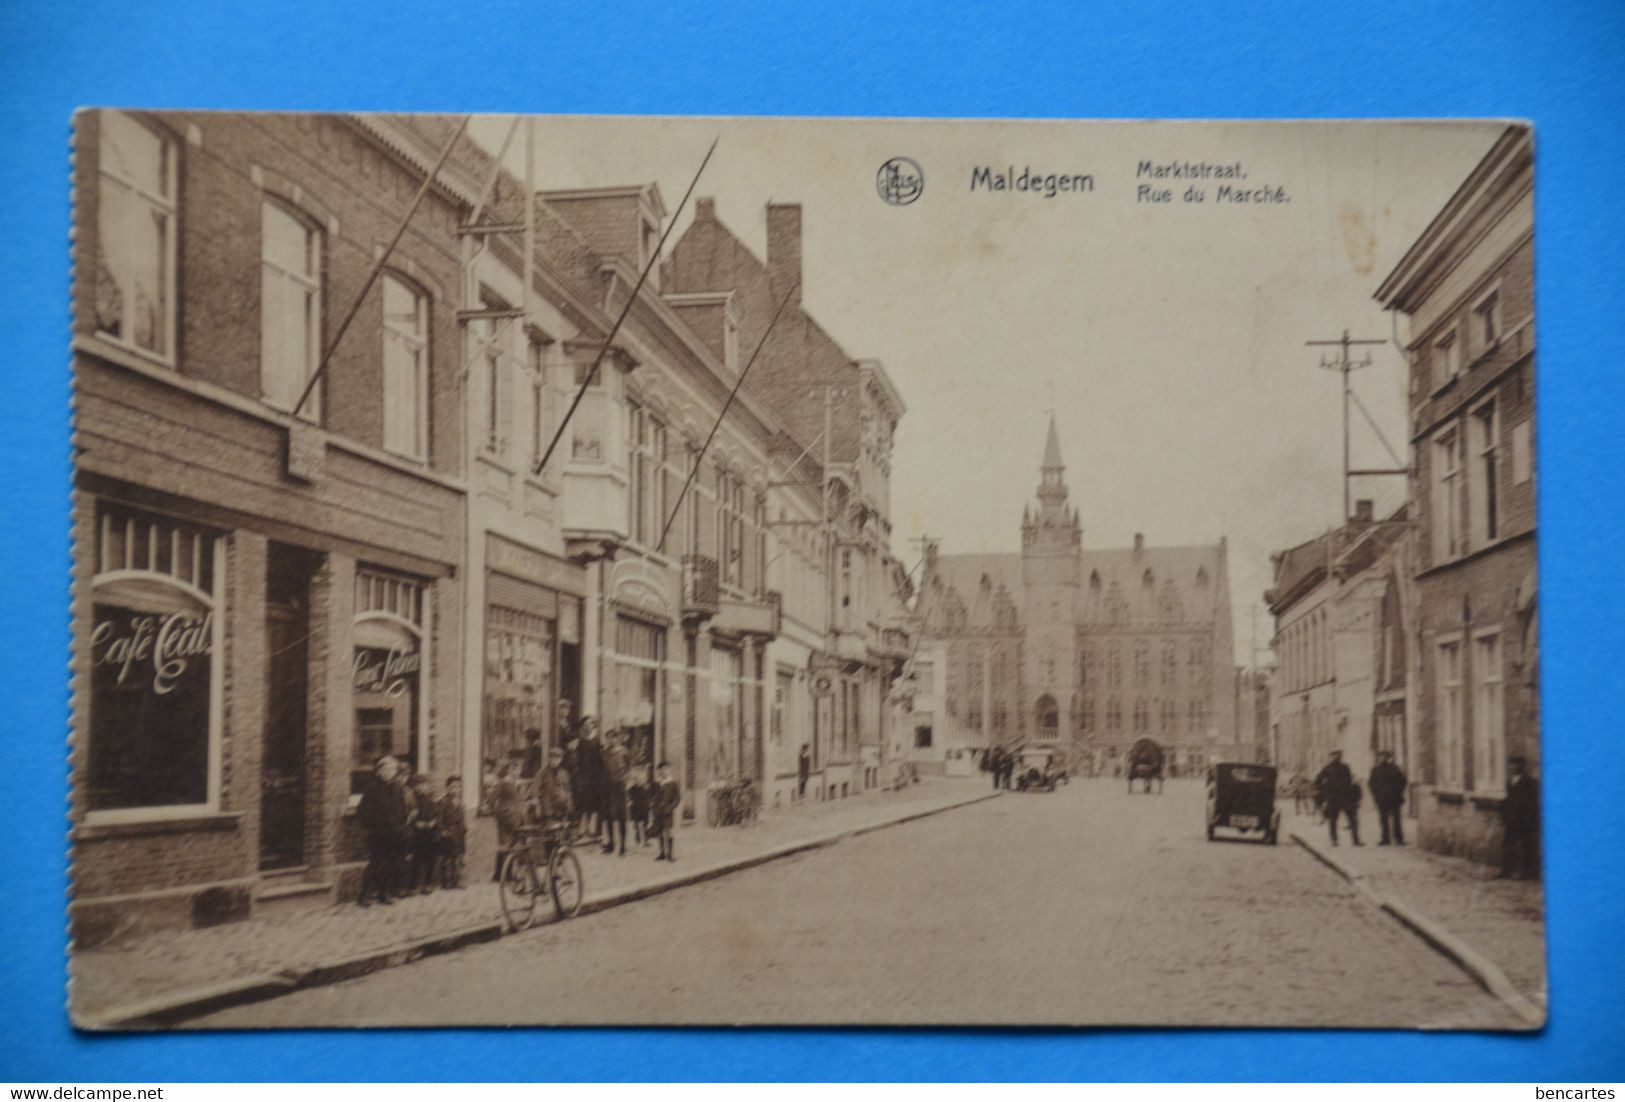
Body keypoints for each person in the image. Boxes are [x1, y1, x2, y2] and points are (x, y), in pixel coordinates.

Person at [356, 756, 409, 907]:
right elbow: (363, 812)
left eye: (392, 770)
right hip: (378, 834)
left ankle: (383, 894)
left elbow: (402, 810)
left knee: (390, 863)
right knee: (375, 864)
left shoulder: (397, 789)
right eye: (385, 769)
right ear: (379, 771)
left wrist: (400, 827)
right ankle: (364, 895)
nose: (389, 772)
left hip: (394, 834)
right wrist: (374, 827)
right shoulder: (372, 789)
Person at [1498, 755, 1540, 880]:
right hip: (1511, 819)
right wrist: (1503, 810)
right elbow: (1509, 799)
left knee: (1527, 845)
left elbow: (1532, 802)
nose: (1513, 767)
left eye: (1517, 764)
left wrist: (1529, 817)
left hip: (1524, 819)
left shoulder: (1531, 782)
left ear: (1523, 766)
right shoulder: (1509, 781)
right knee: (1507, 845)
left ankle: (1528, 872)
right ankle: (1506, 870)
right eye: (1511, 764)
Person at [489, 755, 527, 882]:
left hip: (518, 819)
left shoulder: (519, 784)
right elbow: (491, 799)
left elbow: (521, 800)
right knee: (505, 846)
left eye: (518, 770)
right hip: (505, 820)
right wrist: (499, 813)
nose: (516, 772)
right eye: (514, 770)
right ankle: (501, 875)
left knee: (515, 846)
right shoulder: (503, 783)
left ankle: (510, 873)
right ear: (509, 770)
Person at [1314, 750, 1361, 846]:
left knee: (1352, 819)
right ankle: (1334, 840)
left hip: (1346, 797)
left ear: (1340, 757)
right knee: (1333, 820)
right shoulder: (1327, 769)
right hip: (1333, 798)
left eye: (1338, 756)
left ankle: (1356, 840)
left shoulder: (1345, 767)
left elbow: (1350, 780)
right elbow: (1318, 781)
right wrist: (1325, 790)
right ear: (1331, 757)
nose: (1336, 757)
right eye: (1334, 756)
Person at [407, 772, 441, 894]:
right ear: (414, 787)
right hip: (417, 835)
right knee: (416, 860)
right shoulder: (411, 799)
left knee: (430, 860)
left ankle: (427, 884)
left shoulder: (430, 799)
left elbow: (437, 813)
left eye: (425, 785)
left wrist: (433, 821)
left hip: (430, 834)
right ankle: (412, 886)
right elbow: (408, 815)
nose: (423, 787)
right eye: (419, 785)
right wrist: (416, 823)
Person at [574, 716, 607, 837]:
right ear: (582, 728)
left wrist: (600, 776)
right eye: (585, 725)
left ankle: (593, 829)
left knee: (594, 803)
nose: (588, 727)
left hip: (595, 777)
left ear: (594, 727)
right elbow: (578, 761)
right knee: (584, 802)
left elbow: (601, 760)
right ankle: (582, 828)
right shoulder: (580, 743)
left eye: (590, 725)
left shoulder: (597, 742)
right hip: (584, 776)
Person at [1368, 751, 1408, 845]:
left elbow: (1402, 781)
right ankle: (1385, 839)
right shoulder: (1375, 770)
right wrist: (1376, 794)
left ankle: (1399, 839)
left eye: (1384, 757)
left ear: (1388, 758)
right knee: (1383, 820)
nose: (1382, 758)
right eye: (1380, 756)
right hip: (1382, 799)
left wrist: (1398, 792)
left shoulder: (1394, 769)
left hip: (1394, 798)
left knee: (1397, 819)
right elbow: (1371, 784)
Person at [601, 728, 630, 856]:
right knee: (608, 816)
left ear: (617, 739)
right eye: (608, 738)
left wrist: (624, 780)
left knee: (621, 817)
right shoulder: (603, 753)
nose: (610, 740)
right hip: (607, 788)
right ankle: (611, 844)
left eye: (613, 737)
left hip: (620, 788)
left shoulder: (624, 752)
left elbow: (629, 769)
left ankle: (623, 845)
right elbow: (600, 769)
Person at [438, 776, 467, 889]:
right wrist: (443, 831)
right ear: (447, 788)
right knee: (447, 858)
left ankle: (456, 881)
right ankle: (445, 882)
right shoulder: (443, 802)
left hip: (459, 833)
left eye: (458, 787)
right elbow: (439, 818)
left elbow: (462, 818)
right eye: (453, 787)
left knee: (458, 857)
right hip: (448, 833)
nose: (455, 789)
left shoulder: (459, 802)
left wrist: (464, 829)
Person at [651, 761, 681, 862]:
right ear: (659, 771)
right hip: (657, 811)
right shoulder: (656, 783)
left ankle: (669, 854)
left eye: (666, 769)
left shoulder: (672, 783)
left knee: (668, 832)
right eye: (662, 770)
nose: (664, 772)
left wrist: (671, 807)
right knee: (659, 832)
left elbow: (677, 799)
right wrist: (653, 804)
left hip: (667, 811)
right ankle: (662, 853)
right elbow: (652, 796)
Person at [628, 771, 651, 847]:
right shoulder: (631, 790)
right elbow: (629, 800)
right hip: (635, 809)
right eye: (636, 779)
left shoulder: (644, 789)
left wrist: (648, 806)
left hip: (643, 809)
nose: (638, 781)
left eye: (640, 779)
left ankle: (644, 841)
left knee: (643, 825)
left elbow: (647, 799)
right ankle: (639, 840)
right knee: (637, 825)